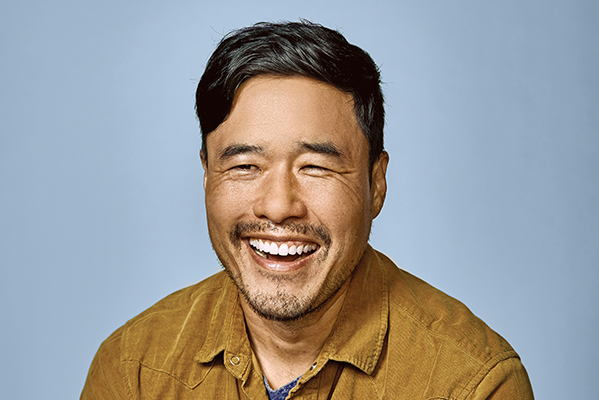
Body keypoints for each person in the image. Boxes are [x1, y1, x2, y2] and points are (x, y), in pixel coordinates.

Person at [81, 21, 534, 399]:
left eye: (315, 167)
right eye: (244, 165)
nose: (278, 207)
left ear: (376, 184)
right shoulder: (132, 371)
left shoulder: (474, 384)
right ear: (206, 175)